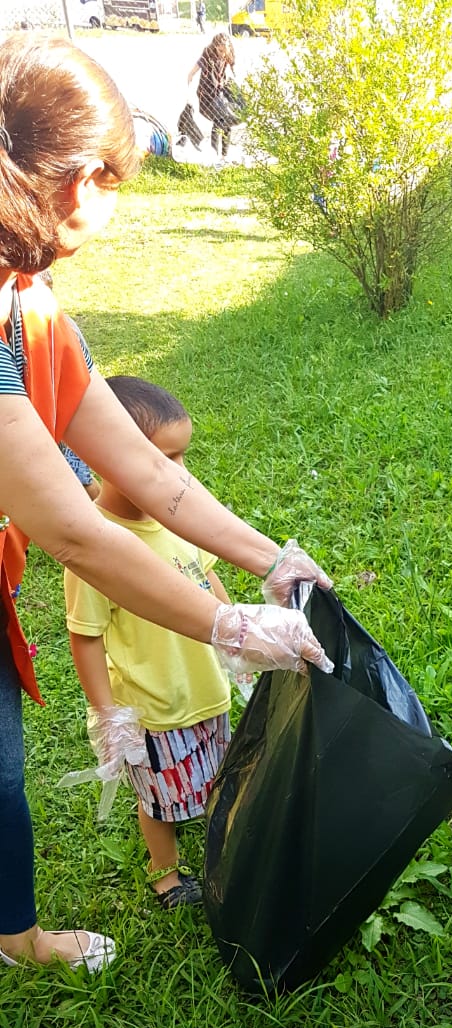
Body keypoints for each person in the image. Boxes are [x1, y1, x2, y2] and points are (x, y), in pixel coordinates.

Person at [0, 34, 331, 970]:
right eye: (113, 185)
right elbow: (72, 528)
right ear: (79, 181)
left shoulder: (27, 299)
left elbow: (148, 473)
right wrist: (229, 627)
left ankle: (14, 937)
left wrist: (272, 558)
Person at [65, 376, 240, 910]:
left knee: (218, 778)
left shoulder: (176, 516)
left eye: (182, 458)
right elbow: (85, 635)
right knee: (160, 801)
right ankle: (164, 873)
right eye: (165, 460)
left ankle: (222, 850)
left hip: (206, 690)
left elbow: (207, 578)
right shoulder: (96, 545)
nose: (179, 476)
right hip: (155, 708)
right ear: (109, 455)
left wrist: (238, 639)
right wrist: (107, 714)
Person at [187, 33, 236, 159]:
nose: (222, 54)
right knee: (219, 121)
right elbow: (198, 65)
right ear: (215, 47)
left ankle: (224, 155)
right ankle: (215, 154)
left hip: (220, 92)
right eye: (220, 51)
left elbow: (233, 66)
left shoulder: (228, 52)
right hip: (207, 93)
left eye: (225, 51)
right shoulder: (208, 53)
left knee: (226, 122)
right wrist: (191, 74)